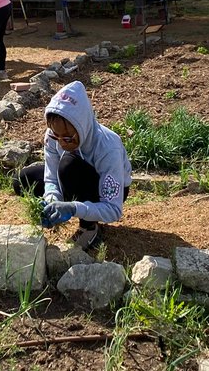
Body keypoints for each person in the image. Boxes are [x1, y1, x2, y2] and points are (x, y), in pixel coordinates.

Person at [15, 81, 132, 251]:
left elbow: (113, 210)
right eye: (57, 136)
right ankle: (60, 211)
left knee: (68, 165)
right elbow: (51, 177)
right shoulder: (53, 136)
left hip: (106, 190)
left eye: (68, 137)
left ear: (82, 125)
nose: (62, 143)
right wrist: (52, 200)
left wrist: (73, 208)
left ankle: (89, 226)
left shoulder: (107, 146)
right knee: (23, 179)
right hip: (69, 175)